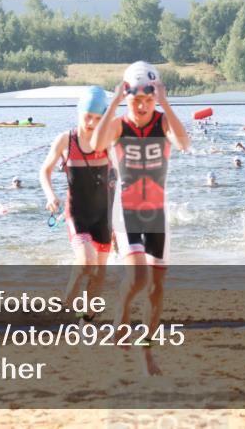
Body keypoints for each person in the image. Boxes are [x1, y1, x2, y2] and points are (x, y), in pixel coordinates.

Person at [91, 61, 191, 376]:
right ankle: (120, 315)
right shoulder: (119, 124)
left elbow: (185, 143)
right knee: (137, 279)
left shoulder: (163, 122)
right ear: (128, 97)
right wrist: (114, 104)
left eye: (148, 99)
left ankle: (146, 352)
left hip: (157, 214)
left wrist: (165, 103)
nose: (143, 105)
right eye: (137, 100)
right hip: (127, 210)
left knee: (156, 287)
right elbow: (96, 144)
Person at [40, 86, 116, 317]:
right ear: (79, 112)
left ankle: (88, 318)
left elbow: (123, 175)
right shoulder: (66, 140)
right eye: (87, 117)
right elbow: (45, 171)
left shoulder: (109, 142)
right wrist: (50, 195)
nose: (92, 123)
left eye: (97, 118)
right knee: (86, 262)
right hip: (77, 215)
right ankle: (69, 295)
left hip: (104, 216)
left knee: (99, 271)